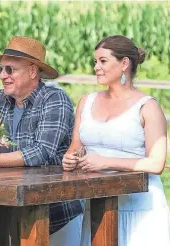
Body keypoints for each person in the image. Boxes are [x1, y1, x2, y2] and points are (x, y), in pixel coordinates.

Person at [0, 36, 84, 246]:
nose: (2, 76)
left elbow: (41, 152)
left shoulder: (55, 99)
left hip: (54, 214)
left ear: (33, 71)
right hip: (4, 213)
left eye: (10, 70)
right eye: (0, 69)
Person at [62, 35, 170, 246]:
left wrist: (105, 162)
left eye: (103, 61)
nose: (96, 67)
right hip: (97, 207)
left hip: (139, 209)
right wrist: (70, 159)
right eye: (95, 61)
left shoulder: (147, 107)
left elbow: (156, 164)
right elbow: (75, 147)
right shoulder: (87, 101)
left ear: (124, 64)